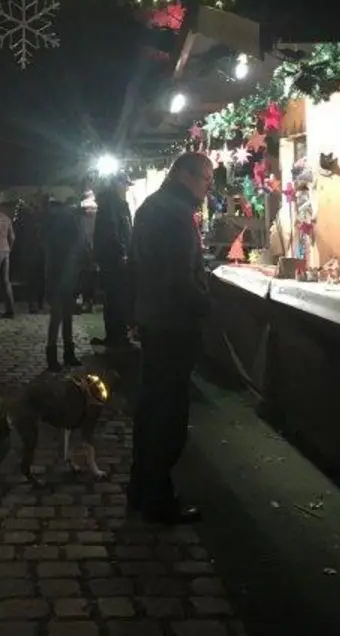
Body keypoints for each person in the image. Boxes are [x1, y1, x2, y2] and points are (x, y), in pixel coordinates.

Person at [127, 152, 213, 526]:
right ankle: (158, 498)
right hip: (172, 323)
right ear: (186, 175)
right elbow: (179, 278)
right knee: (168, 413)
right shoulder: (174, 215)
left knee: (151, 407)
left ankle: (141, 488)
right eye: (206, 181)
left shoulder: (153, 206)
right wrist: (206, 304)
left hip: (154, 318)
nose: (208, 189)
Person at [42, 193, 92, 370]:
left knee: (63, 316)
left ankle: (60, 354)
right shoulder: (68, 228)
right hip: (62, 275)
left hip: (65, 275)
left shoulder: (65, 228)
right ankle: (59, 354)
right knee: (61, 316)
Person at [92, 172, 134, 349]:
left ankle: (114, 336)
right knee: (118, 299)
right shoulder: (114, 205)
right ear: (117, 184)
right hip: (115, 260)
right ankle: (119, 338)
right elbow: (113, 231)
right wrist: (123, 253)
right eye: (125, 184)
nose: (126, 188)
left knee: (112, 300)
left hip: (111, 259)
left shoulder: (113, 203)